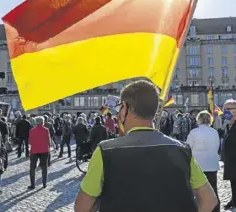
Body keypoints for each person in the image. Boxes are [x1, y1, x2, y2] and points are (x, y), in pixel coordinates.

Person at [74, 80, 217, 212]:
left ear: (124, 108)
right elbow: (209, 200)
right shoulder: (182, 149)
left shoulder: (106, 151)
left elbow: (82, 206)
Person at [187, 111, 221, 212]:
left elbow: (188, 147)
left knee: (198, 191)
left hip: (198, 165)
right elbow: (217, 146)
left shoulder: (194, 132)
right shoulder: (214, 132)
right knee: (213, 189)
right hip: (212, 164)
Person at [28, 116, 52, 189]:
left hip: (34, 150)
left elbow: (30, 141)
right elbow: (48, 141)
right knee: (44, 167)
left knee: (32, 168)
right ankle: (44, 184)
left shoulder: (32, 130)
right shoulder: (46, 130)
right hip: (44, 150)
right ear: (43, 122)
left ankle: (33, 184)